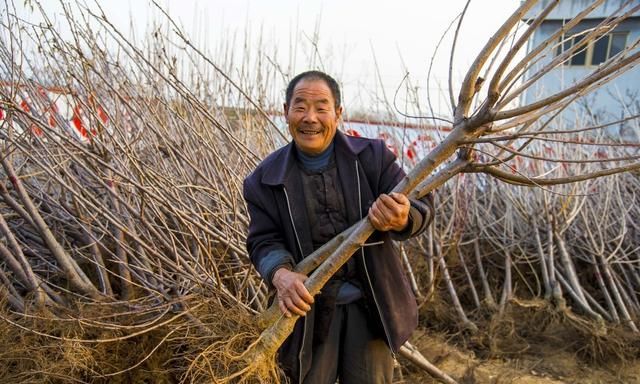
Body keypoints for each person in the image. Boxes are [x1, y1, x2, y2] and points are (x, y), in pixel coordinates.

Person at [243, 70, 434, 384]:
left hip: (372, 307)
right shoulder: (264, 180)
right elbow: (262, 241)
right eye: (300, 106)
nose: (310, 118)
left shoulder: (372, 158)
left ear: (338, 114)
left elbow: (420, 204)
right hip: (306, 313)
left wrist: (401, 216)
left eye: (321, 107)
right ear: (285, 112)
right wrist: (282, 275)